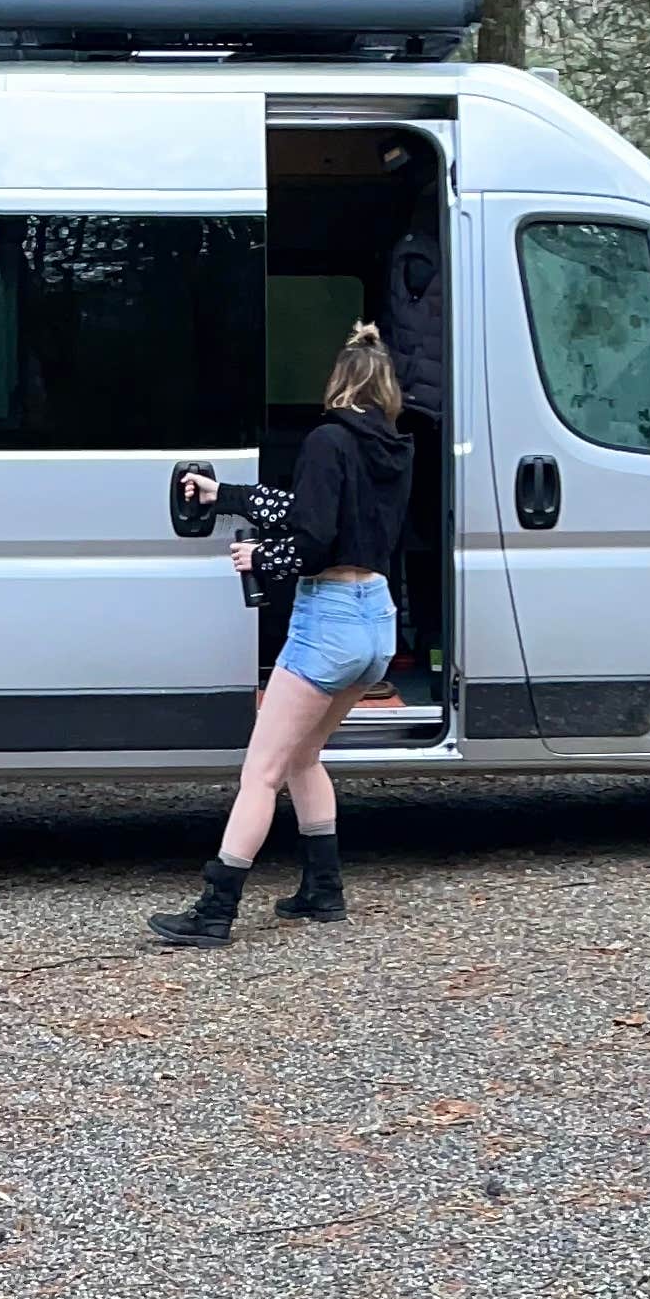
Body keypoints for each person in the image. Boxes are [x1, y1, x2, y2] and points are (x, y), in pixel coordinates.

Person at [154, 326, 421, 948]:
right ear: (385, 387)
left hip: (328, 620)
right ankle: (323, 890)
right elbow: (309, 507)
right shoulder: (393, 448)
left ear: (338, 382)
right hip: (375, 620)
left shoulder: (328, 439)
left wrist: (260, 557)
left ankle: (215, 910)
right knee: (305, 756)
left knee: (261, 771)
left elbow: (313, 538)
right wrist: (228, 495)